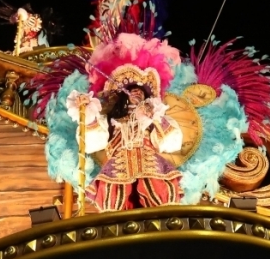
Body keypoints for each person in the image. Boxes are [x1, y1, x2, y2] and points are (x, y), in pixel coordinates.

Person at [69, 76, 185, 211]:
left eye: (141, 91)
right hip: (118, 164)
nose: (137, 92)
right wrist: (86, 111)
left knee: (160, 190)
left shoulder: (152, 118)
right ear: (125, 95)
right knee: (111, 195)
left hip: (149, 163)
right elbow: (91, 142)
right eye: (133, 90)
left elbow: (172, 142)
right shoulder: (112, 120)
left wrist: (155, 117)